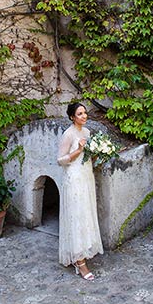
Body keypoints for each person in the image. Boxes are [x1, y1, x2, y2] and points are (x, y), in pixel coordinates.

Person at [57, 102, 104, 281]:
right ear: (72, 117)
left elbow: (88, 156)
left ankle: (83, 250)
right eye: (80, 114)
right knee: (76, 215)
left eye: (85, 113)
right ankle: (79, 261)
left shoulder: (87, 132)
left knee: (85, 214)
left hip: (86, 176)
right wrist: (78, 150)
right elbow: (60, 160)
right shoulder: (68, 134)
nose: (84, 116)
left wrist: (99, 151)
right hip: (73, 178)